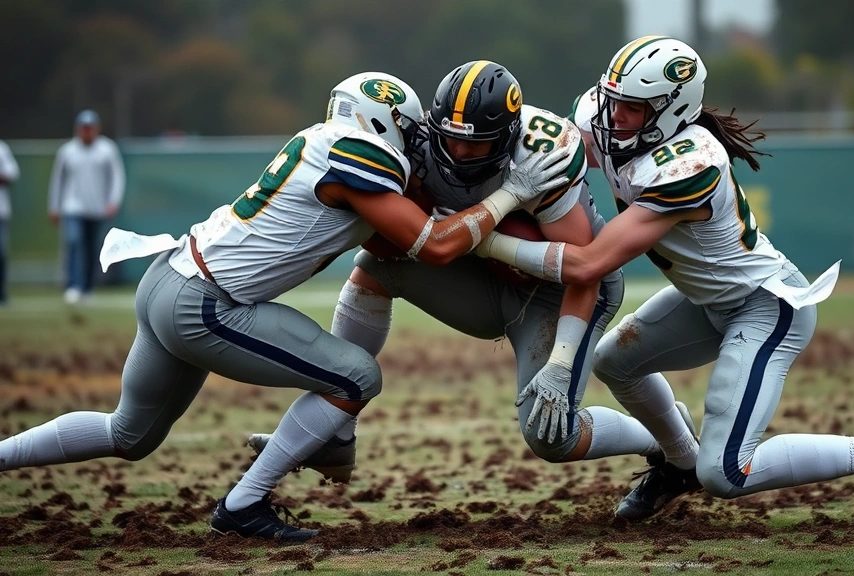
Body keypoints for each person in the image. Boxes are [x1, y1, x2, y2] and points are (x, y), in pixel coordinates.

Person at [0, 72, 573, 542]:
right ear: (388, 124)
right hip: (205, 303)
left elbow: (382, 241)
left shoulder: (320, 143)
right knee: (356, 377)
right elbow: (437, 246)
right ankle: (245, 503)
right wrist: (509, 194)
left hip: (165, 277)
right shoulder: (364, 155)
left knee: (129, 434)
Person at [475, 36, 854, 526]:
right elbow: (558, 152)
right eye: (612, 100)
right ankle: (678, 461)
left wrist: (483, 239)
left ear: (671, 110)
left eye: (632, 107)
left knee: (725, 472)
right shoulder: (606, 114)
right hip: (707, 297)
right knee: (615, 362)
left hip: (765, 305)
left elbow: (590, 264)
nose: (614, 115)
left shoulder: (689, 164)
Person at [248, 60, 681, 478]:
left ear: (509, 136)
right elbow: (391, 236)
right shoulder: (416, 145)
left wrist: (561, 363)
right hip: (488, 276)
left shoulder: (541, 154)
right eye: (449, 138)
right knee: (377, 267)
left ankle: (662, 440)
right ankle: (335, 436)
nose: (458, 151)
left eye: (475, 143)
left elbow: (583, 269)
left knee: (552, 437)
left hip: (560, 293)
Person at [47, 110, 126, 304]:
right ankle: (73, 285)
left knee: (92, 249)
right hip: (72, 206)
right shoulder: (67, 151)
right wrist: (54, 206)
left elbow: (117, 177)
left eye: (90, 128)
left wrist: (113, 201)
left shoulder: (107, 149)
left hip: (97, 208)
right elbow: (58, 180)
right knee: (73, 242)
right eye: (84, 128)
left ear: (96, 129)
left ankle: (87, 287)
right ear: (78, 130)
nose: (87, 132)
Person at [0, 139, 20, 306]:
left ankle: (1, 293)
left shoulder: (2, 148)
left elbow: (12, 174)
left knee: (1, 252)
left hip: (0, 211)